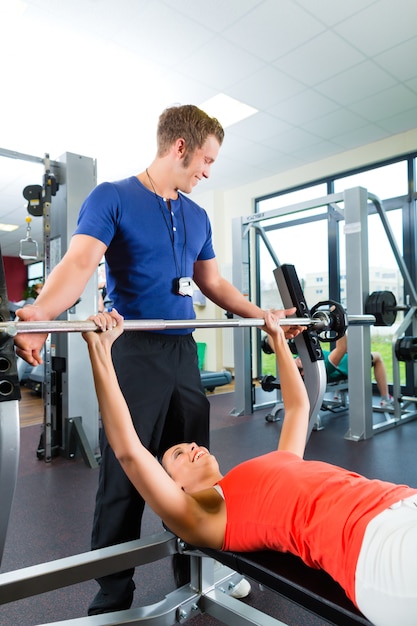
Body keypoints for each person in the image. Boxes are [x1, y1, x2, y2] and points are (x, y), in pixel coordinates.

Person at [13, 104, 303, 615]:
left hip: (182, 352)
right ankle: (112, 594)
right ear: (181, 148)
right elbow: (81, 261)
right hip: (136, 353)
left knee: (195, 473)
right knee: (125, 474)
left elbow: (212, 284)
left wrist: (265, 315)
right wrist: (39, 313)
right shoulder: (114, 198)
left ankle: (200, 571)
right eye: (206, 161)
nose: (208, 172)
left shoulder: (197, 214)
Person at [82, 308, 417, 626]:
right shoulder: (204, 516)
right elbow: (128, 450)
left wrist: (277, 341)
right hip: (369, 545)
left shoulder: (273, 464)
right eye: (179, 455)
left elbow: (298, 407)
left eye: (187, 444)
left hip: (396, 501)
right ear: (176, 488)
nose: (193, 446)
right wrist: (101, 351)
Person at [292, 334, 393, 408]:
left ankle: (339, 392)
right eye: (298, 364)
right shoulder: (324, 366)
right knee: (378, 357)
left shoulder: (302, 357)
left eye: (294, 361)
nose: (296, 360)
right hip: (348, 364)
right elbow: (342, 348)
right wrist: (339, 325)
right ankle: (386, 399)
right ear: (303, 373)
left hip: (341, 358)